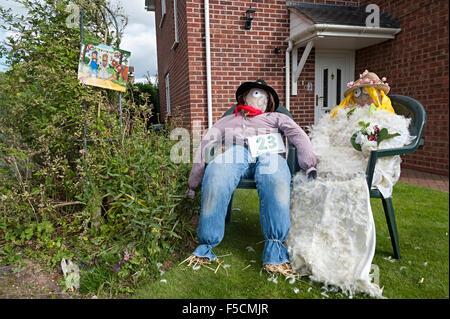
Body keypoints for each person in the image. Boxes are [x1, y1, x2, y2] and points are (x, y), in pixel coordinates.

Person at [184, 79, 318, 275]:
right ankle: (206, 245)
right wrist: (193, 182)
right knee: (217, 170)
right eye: (256, 94)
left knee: (275, 177)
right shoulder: (230, 120)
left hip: (269, 153)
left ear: (270, 101)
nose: (260, 99)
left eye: (265, 96)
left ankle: (275, 250)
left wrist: (309, 164)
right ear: (244, 97)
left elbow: (297, 134)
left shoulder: (275, 117)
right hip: (239, 152)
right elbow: (207, 142)